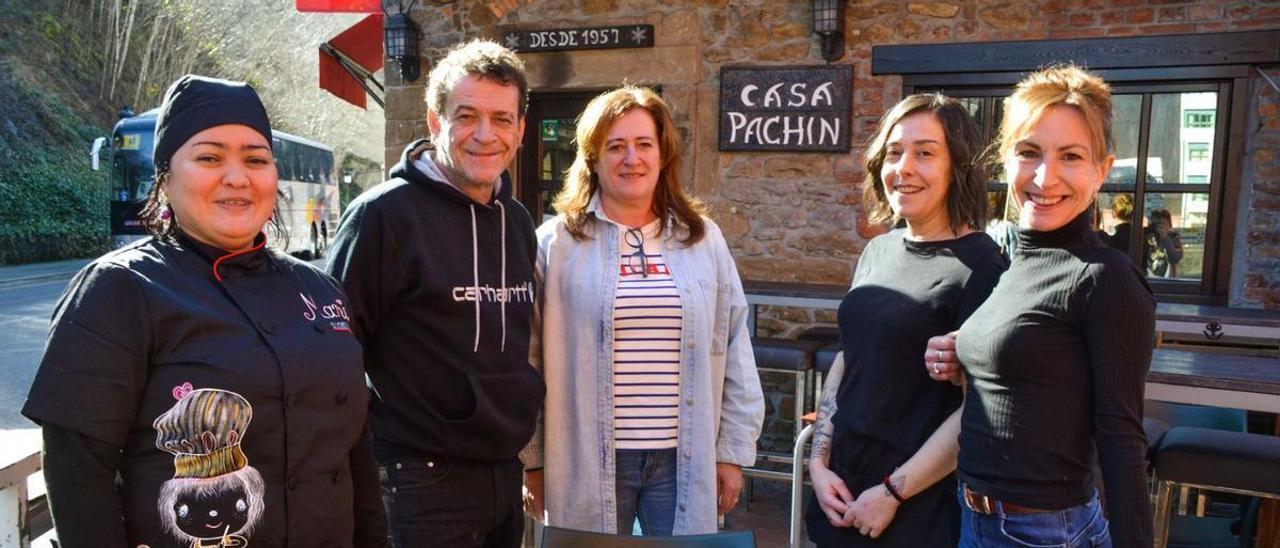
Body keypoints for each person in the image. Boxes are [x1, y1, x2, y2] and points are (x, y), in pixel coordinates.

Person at [23, 74, 386, 548]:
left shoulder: (321, 291)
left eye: (256, 159)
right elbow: (77, 470)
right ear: (166, 176)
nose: (237, 177)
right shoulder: (121, 288)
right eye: (209, 157)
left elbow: (354, 455)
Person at [325, 39, 544, 548]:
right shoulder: (383, 217)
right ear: (434, 121)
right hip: (418, 478)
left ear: (521, 130)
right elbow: (331, 352)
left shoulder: (517, 221)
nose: (485, 135)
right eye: (466, 115)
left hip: (501, 474)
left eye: (502, 119)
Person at [926, 65, 1155, 547]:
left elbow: (1122, 438)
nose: (1045, 177)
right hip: (977, 519)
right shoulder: (1013, 260)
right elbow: (1037, 366)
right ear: (1006, 160)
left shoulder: (1105, 276)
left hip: (1045, 533)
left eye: (1070, 156)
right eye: (1029, 153)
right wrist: (964, 353)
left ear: (1102, 170)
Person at [520, 86, 764, 536]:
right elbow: (528, 359)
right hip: (585, 458)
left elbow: (732, 346)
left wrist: (731, 450)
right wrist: (532, 459)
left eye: (643, 144)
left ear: (662, 155)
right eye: (615, 146)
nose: (631, 158)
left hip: (682, 459)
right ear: (592, 158)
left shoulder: (703, 239)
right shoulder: (555, 244)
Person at [804, 94, 1007, 546]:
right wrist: (819, 464)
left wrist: (893, 492)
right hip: (841, 488)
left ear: (958, 167)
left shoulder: (983, 266)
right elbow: (848, 358)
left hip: (916, 505)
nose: (905, 167)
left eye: (926, 153)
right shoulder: (880, 249)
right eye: (895, 153)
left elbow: (979, 409)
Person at [1145, 208, 1183, 277]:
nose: (1159, 227)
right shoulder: (1146, 238)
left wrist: (1165, 238)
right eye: (1155, 224)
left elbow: (1175, 259)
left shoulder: (1174, 238)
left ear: (1170, 225)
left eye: (1162, 224)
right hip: (1148, 277)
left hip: (1167, 280)